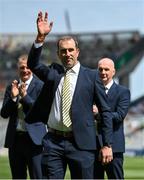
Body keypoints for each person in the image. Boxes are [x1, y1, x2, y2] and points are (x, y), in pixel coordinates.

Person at [26, 11, 113, 179]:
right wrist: (40, 38)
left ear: (77, 52)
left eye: (71, 50)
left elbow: (106, 111)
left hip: (81, 144)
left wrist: (107, 144)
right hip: (53, 142)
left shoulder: (92, 76)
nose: (68, 54)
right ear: (58, 54)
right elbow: (33, 64)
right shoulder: (53, 73)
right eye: (63, 51)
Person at [0, 54, 45, 179]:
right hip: (15, 141)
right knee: (17, 177)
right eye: (22, 68)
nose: (25, 70)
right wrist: (14, 98)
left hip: (35, 141)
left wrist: (25, 97)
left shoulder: (40, 86)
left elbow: (40, 112)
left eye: (27, 67)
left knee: (37, 176)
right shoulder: (11, 87)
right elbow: (4, 114)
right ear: (17, 69)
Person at [94, 57, 131, 179]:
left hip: (114, 147)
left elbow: (119, 116)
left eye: (106, 69)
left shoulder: (123, 92)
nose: (103, 72)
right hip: (92, 146)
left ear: (113, 72)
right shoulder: (90, 91)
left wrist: (99, 114)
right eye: (100, 69)